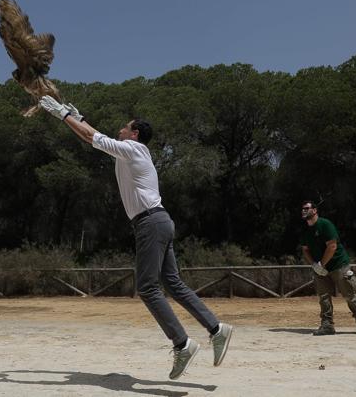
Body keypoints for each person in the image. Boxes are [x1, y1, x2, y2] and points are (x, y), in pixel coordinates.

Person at [39, 95, 233, 380]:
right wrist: (77, 119)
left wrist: (63, 116)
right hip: (160, 220)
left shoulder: (133, 149)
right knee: (173, 283)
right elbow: (93, 136)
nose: (120, 129)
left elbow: (95, 139)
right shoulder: (130, 152)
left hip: (150, 223)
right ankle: (217, 329)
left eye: (124, 127)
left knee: (147, 287)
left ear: (135, 133)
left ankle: (182, 344)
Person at [299, 201, 356, 336]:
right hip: (320, 268)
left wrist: (321, 265)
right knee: (324, 297)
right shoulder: (305, 231)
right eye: (302, 209)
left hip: (339, 265)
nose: (303, 211)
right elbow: (305, 250)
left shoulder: (325, 225)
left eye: (307, 208)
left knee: (349, 295)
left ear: (314, 210)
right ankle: (327, 326)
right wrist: (314, 265)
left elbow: (332, 247)